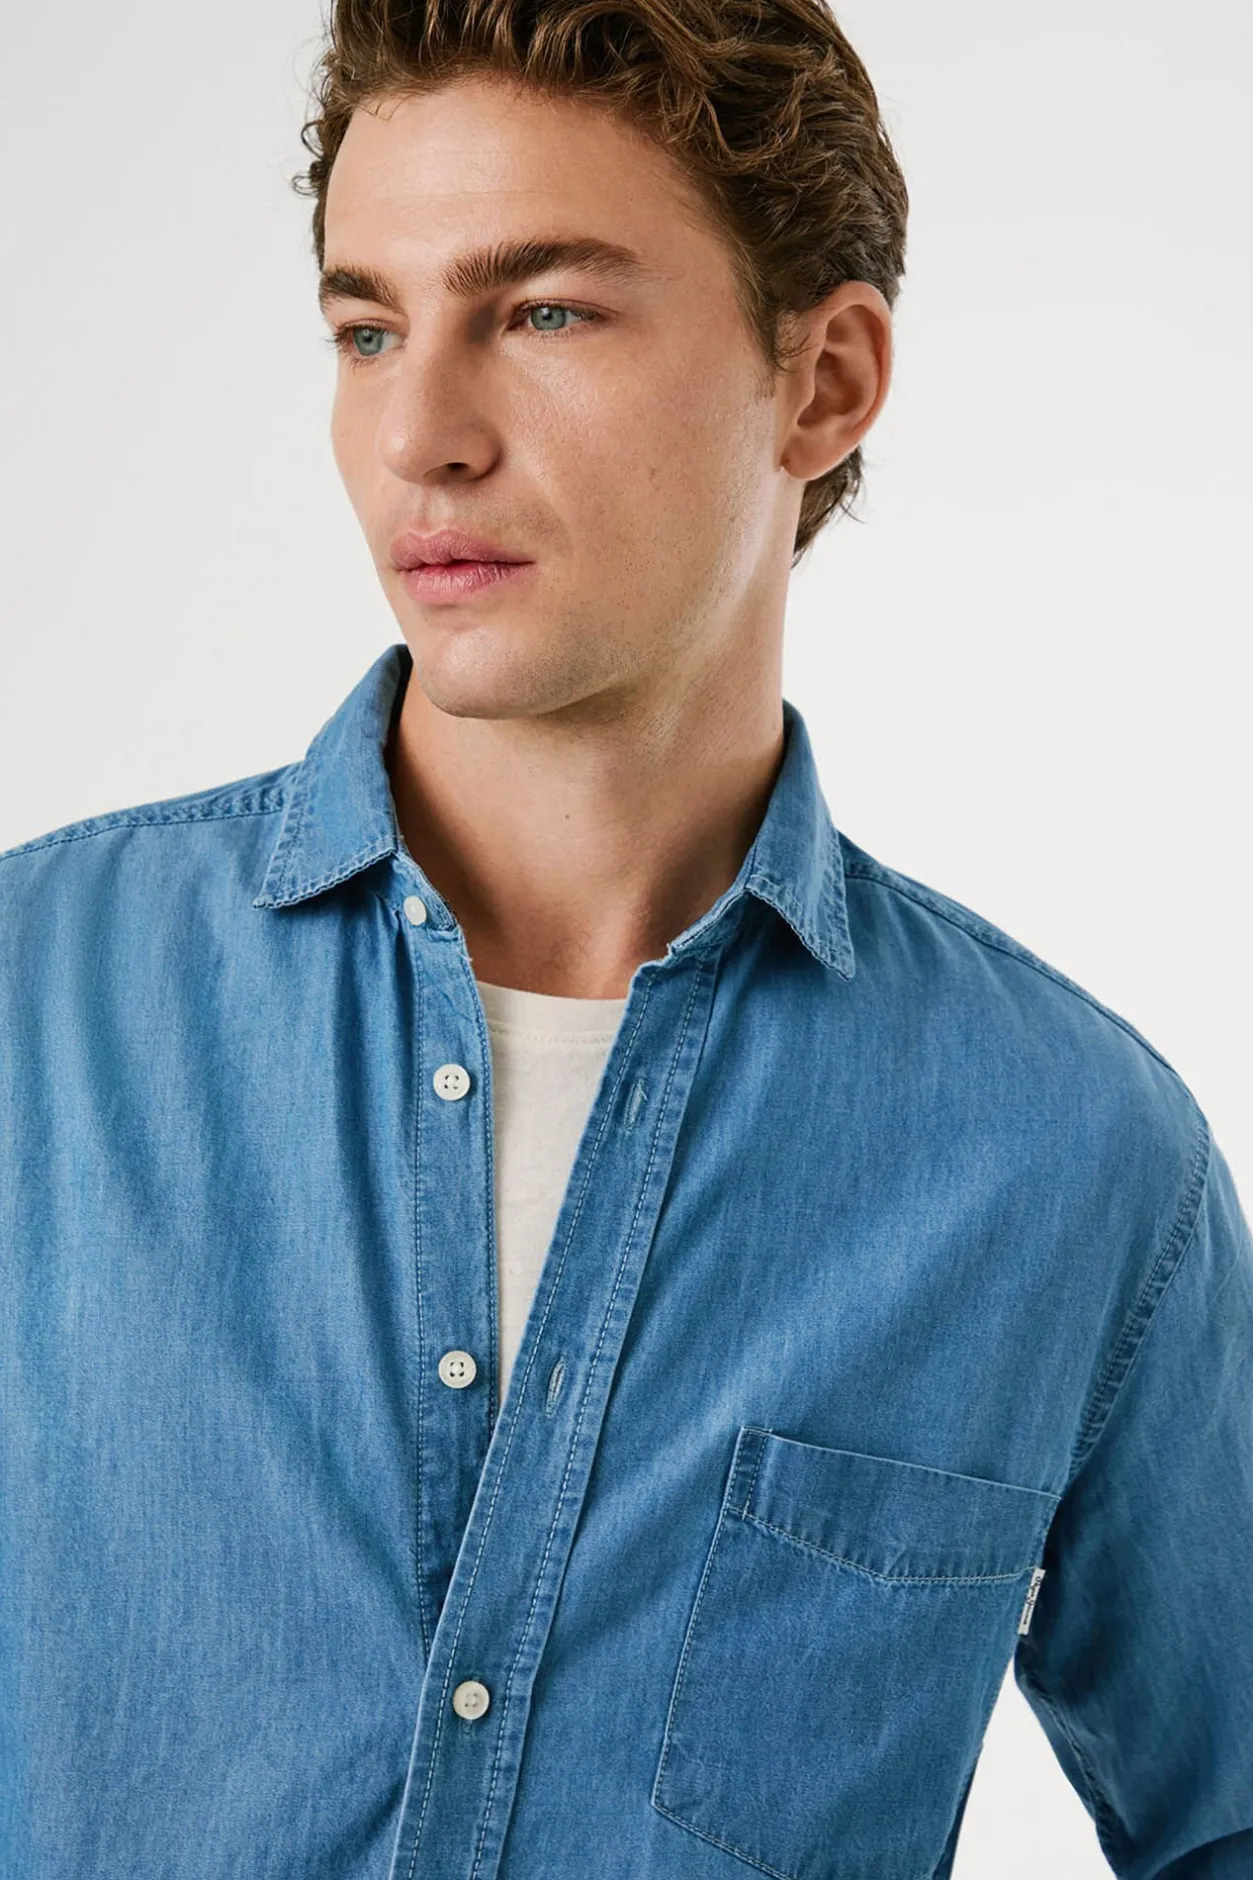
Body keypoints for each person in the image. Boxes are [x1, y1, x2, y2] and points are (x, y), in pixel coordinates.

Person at [2, 0, 1249, 1874]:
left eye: (544, 313)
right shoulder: (33, 1017)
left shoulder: (1074, 1159)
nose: (420, 437)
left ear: (823, 381)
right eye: (368, 329)